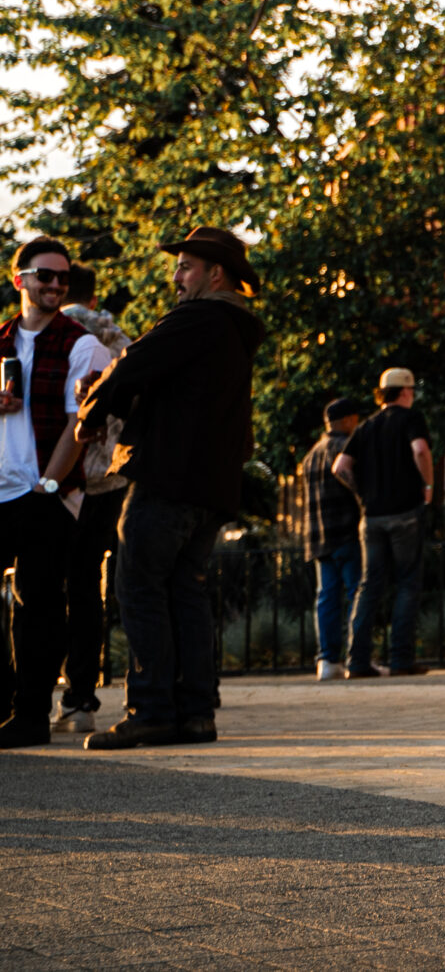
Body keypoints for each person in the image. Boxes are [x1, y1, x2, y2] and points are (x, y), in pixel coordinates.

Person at [76, 227, 262, 750]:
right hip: (213, 485)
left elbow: (135, 361)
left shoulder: (199, 317)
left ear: (214, 273)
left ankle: (152, 711)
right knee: (186, 591)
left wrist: (92, 411)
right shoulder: (236, 328)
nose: (176, 277)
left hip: (167, 478)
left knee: (139, 587)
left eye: (184, 266)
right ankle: (195, 714)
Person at [0, 238, 108, 747]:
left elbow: (80, 425)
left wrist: (48, 486)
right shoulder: (0, 341)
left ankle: (29, 714)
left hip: (44, 493)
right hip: (0, 490)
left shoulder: (80, 343)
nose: (55, 286)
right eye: (45, 276)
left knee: (37, 604)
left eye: (62, 278)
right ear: (19, 279)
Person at [52, 263, 130, 729]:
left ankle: (40, 689)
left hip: (63, 477)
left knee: (42, 588)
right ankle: (81, 696)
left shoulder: (56, 339)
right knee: (88, 587)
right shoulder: (120, 342)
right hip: (110, 480)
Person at [335, 368, 435, 679]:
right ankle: (401, 659)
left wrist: (362, 494)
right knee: (407, 583)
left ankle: (357, 661)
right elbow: (419, 449)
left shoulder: (366, 426)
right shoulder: (410, 418)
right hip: (405, 512)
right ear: (405, 392)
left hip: (372, 517)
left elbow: (340, 467)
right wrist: (428, 485)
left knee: (369, 586)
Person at [297, 398, 368, 680]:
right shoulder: (344, 448)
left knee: (326, 597)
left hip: (317, 536)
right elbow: (351, 479)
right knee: (356, 593)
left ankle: (327, 660)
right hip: (346, 531)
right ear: (350, 420)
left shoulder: (311, 454)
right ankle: (356, 656)